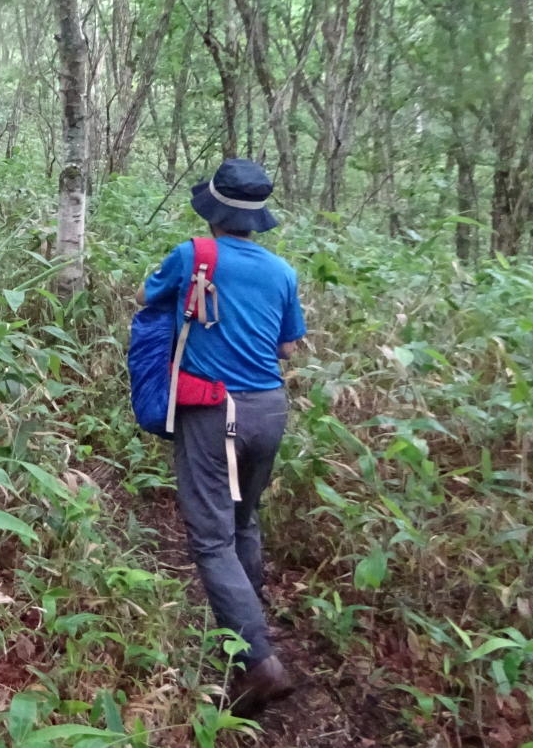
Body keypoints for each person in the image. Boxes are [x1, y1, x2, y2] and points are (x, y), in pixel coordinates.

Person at [135, 158, 306, 717]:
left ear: (212, 209)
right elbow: (286, 348)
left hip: (214, 411)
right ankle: (248, 627)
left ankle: (257, 660)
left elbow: (148, 296)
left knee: (210, 537)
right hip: (269, 409)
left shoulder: (193, 256)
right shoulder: (282, 272)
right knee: (243, 520)